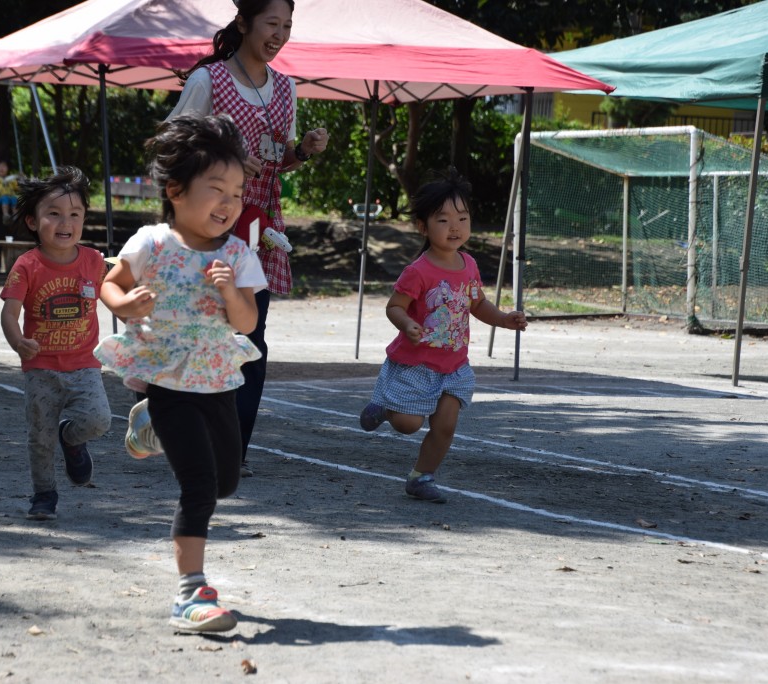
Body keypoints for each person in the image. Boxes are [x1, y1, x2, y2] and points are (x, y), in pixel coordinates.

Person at [95, 114, 267, 633]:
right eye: (216, 189)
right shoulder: (153, 242)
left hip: (215, 377)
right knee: (199, 486)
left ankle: (147, 425)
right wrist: (126, 303)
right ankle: (191, 592)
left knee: (227, 480)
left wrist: (230, 293)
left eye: (237, 192)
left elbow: (248, 323)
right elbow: (110, 283)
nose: (229, 203)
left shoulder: (238, 255)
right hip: (168, 377)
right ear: (175, 190)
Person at [168, 0, 329, 477]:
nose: (279, 35)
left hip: (258, 232)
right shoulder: (209, 81)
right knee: (204, 336)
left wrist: (303, 151)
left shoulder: (286, 89)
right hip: (210, 229)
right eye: (271, 24)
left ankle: (230, 451)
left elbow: (278, 160)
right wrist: (225, 159)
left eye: (287, 26)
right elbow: (170, 148)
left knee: (250, 341)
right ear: (243, 24)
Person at [358, 169, 528, 503]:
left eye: (462, 218)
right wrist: (407, 324)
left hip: (453, 366)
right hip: (415, 364)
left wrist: (505, 319)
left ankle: (421, 477)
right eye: (443, 220)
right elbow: (395, 306)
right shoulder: (418, 271)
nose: (455, 227)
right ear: (422, 226)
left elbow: (477, 304)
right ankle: (384, 405)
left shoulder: (469, 264)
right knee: (407, 423)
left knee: (445, 426)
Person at [0, 166, 111, 521]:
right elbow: (9, 313)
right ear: (33, 222)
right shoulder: (27, 265)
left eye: (75, 214)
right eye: (54, 214)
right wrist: (18, 341)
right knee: (40, 437)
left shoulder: (94, 260)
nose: (66, 222)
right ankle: (44, 495)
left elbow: (116, 293)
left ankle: (73, 440)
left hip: (85, 364)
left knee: (99, 420)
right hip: (41, 369)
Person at [0, 160, 20, 225]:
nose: (1, 168)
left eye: (4, 166)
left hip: (11, 198)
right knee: (5, 197)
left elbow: (19, 188)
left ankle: (15, 215)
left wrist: (22, 179)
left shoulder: (11, 179)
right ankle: (6, 215)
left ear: (8, 168)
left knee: (14, 198)